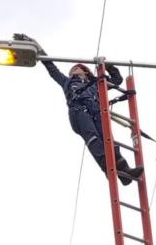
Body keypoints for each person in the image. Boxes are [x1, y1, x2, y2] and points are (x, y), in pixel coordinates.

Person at [37, 47, 143, 186]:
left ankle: (124, 171)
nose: (73, 71)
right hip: (79, 112)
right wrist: (40, 51)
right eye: (72, 70)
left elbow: (117, 80)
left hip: (96, 113)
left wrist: (108, 65)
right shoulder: (68, 83)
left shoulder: (96, 84)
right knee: (94, 138)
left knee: (108, 139)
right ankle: (108, 167)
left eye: (77, 68)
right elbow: (52, 69)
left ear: (85, 72)